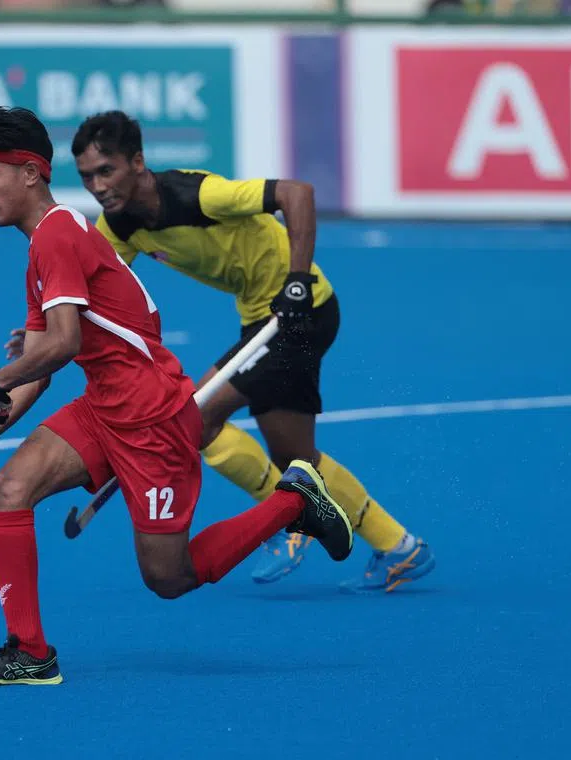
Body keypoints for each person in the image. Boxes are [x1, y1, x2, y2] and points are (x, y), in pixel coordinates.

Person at [0, 106, 353, 687]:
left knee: (170, 578)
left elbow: (60, 345)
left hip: (151, 416)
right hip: (107, 406)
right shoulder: (46, 244)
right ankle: (29, 651)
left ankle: (294, 501)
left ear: (29, 172)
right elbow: (38, 368)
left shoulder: (57, 236)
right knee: (9, 487)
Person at [53, 110, 435, 592]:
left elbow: (297, 193)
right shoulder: (120, 227)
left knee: (197, 417)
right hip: (263, 323)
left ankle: (289, 527)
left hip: (298, 313)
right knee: (295, 455)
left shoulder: (198, 195)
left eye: (106, 171)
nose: (97, 186)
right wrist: (51, 324)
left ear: (137, 162)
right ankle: (397, 546)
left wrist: (296, 282)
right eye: (87, 176)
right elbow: (93, 285)